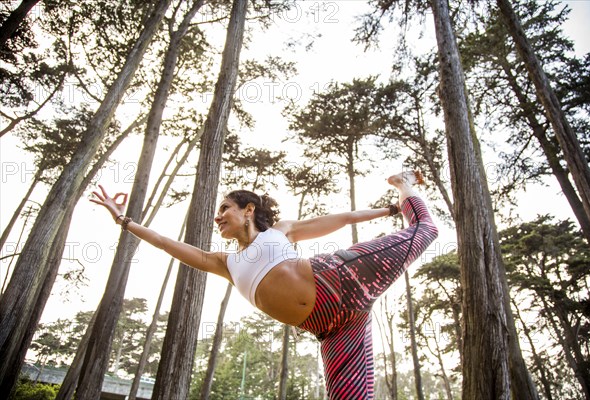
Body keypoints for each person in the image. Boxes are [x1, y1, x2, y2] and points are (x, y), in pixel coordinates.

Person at [90, 170, 438, 400]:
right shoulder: (225, 263)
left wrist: (392, 210)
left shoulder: (280, 231)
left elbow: (343, 219)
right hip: (335, 328)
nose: (217, 216)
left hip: (339, 279)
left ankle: (405, 183)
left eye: (224, 207)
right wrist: (124, 220)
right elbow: (166, 242)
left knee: (426, 230)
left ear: (248, 210)